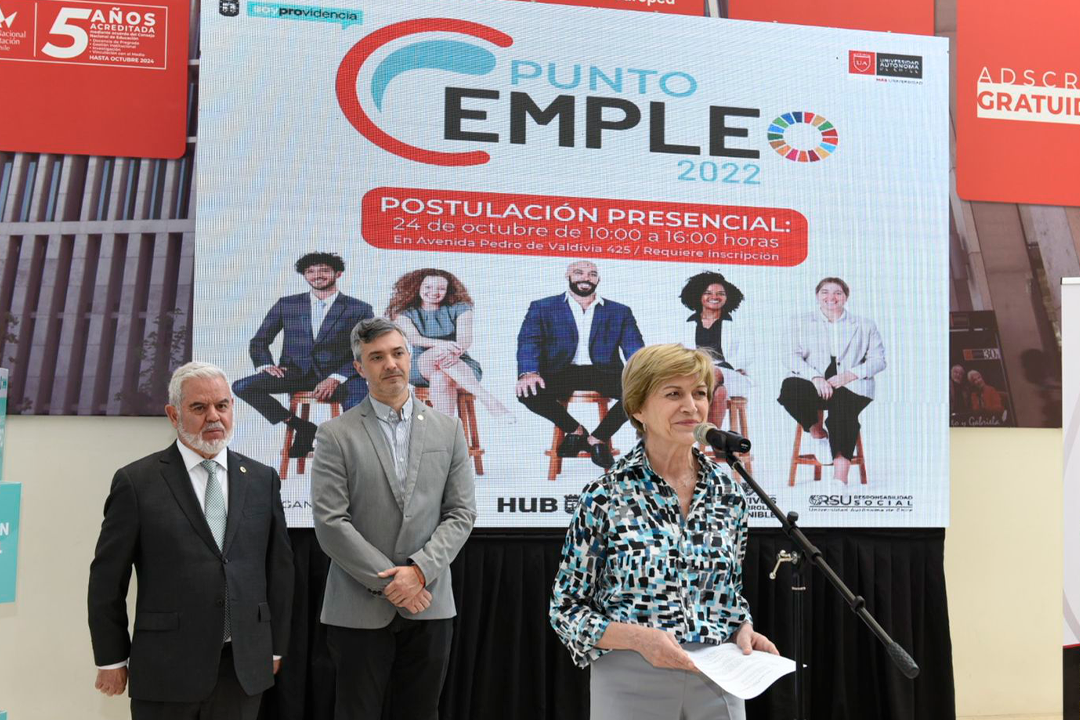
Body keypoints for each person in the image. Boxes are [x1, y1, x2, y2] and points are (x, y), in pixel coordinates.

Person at [550, 343, 777, 720]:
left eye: (699, 393)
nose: (692, 406)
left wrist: (742, 627)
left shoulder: (728, 493)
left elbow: (730, 592)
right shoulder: (606, 496)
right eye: (674, 394)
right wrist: (639, 639)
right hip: (630, 678)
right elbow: (567, 609)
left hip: (718, 679)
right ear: (638, 408)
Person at [88, 362, 294, 720]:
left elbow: (279, 570)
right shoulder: (137, 483)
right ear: (173, 415)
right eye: (199, 407)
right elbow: (107, 580)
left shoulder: (262, 479)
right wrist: (111, 659)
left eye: (222, 405)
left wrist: (274, 647)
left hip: (242, 668)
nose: (213, 416)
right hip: (167, 668)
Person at [310, 317, 477, 720]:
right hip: (357, 607)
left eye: (398, 353)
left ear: (409, 356)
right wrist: (393, 583)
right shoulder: (335, 434)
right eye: (377, 357)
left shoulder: (449, 430)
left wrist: (418, 572)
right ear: (359, 367)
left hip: (429, 602)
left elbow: (461, 513)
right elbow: (331, 522)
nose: (391, 364)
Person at [233, 252, 374, 458]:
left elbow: (367, 349)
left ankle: (346, 453)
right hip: (296, 373)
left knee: (359, 401)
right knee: (242, 386)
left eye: (324, 270)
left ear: (338, 273)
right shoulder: (287, 304)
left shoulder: (359, 308)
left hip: (342, 376)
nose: (317, 275)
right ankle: (303, 427)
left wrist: (336, 378)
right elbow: (259, 341)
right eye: (310, 271)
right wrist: (265, 365)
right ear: (304, 275)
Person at [516, 260, 645, 469]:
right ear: (567, 276)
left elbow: (634, 347)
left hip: (605, 371)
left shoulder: (619, 311)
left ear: (598, 279)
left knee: (643, 394)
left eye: (592, 274)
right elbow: (529, 341)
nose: (586, 278)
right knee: (528, 392)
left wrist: (643, 373)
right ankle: (576, 431)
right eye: (579, 272)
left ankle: (597, 439)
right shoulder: (542, 307)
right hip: (560, 370)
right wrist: (528, 372)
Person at [777, 277, 886, 483]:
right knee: (790, 387)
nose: (831, 297)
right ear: (817, 296)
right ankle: (818, 433)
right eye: (825, 292)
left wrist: (849, 375)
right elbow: (790, 356)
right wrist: (815, 377)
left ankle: (840, 479)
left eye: (838, 293)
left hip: (852, 386)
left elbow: (878, 361)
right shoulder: (799, 322)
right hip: (815, 384)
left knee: (842, 413)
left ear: (846, 297)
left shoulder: (865, 325)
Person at [385, 268, 512, 420]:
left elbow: (465, 339)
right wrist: (443, 345)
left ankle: (445, 431)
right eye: (428, 287)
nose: (434, 292)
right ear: (417, 287)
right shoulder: (405, 312)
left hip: (459, 361)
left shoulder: (461, 308)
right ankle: (487, 398)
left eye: (441, 288)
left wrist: (454, 352)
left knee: (440, 378)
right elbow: (414, 338)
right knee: (438, 353)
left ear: (448, 290)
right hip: (421, 365)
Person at [678, 271, 752, 428]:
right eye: (708, 293)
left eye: (720, 293)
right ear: (698, 295)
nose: (715, 297)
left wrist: (722, 368)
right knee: (720, 393)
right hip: (695, 372)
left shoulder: (738, 325)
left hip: (729, 375)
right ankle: (712, 438)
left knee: (713, 372)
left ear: (728, 297)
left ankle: (691, 425)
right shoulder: (685, 325)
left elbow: (746, 355)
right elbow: (679, 355)